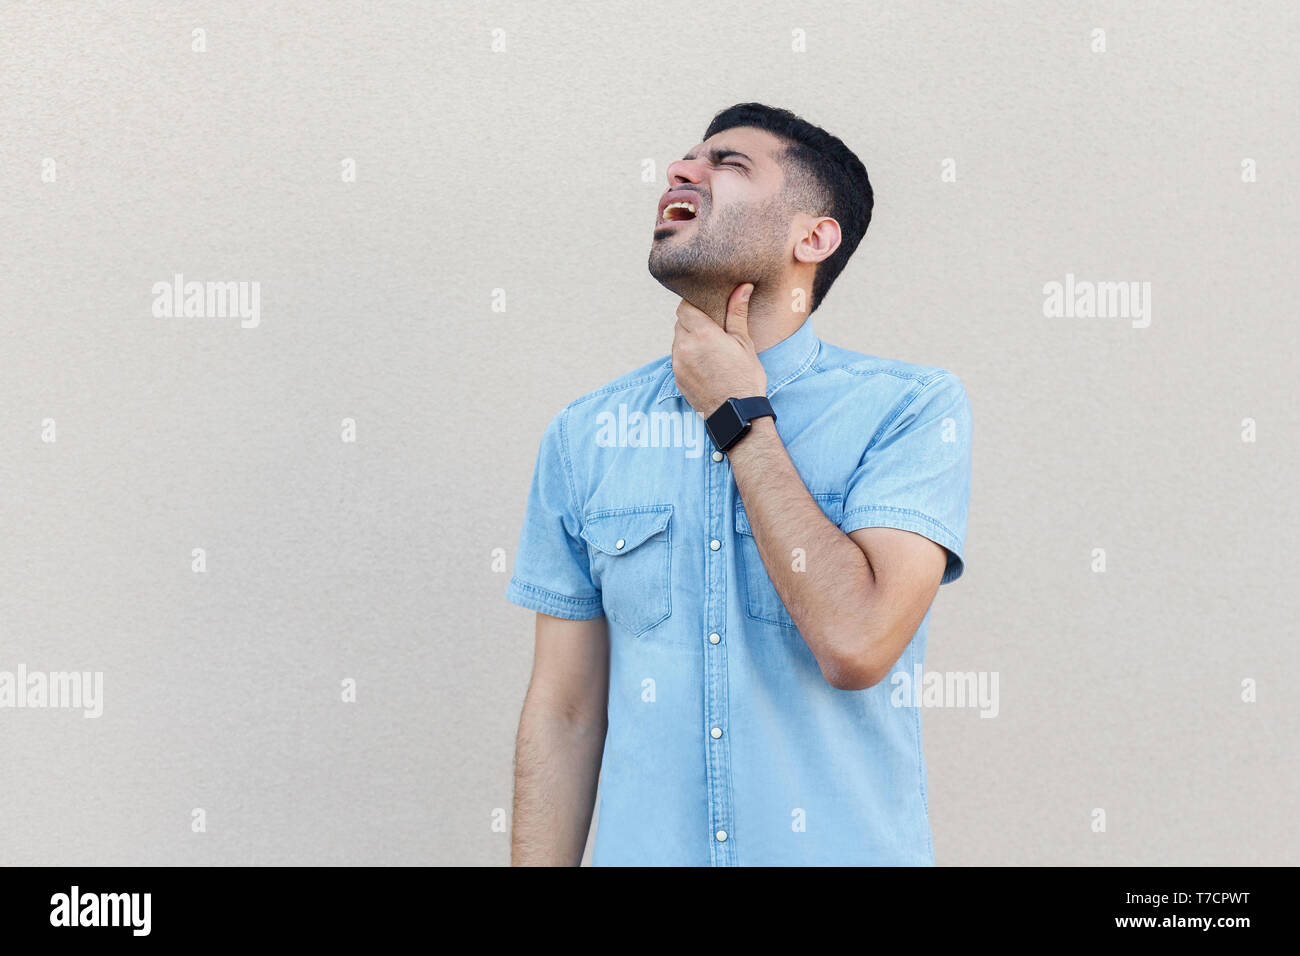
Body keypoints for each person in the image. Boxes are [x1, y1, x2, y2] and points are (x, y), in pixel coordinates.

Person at [506, 103, 972, 866]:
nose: (681, 171)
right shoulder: (584, 434)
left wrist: (739, 418)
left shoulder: (912, 410)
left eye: (729, 163)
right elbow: (564, 712)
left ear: (813, 236)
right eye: (686, 159)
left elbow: (858, 643)